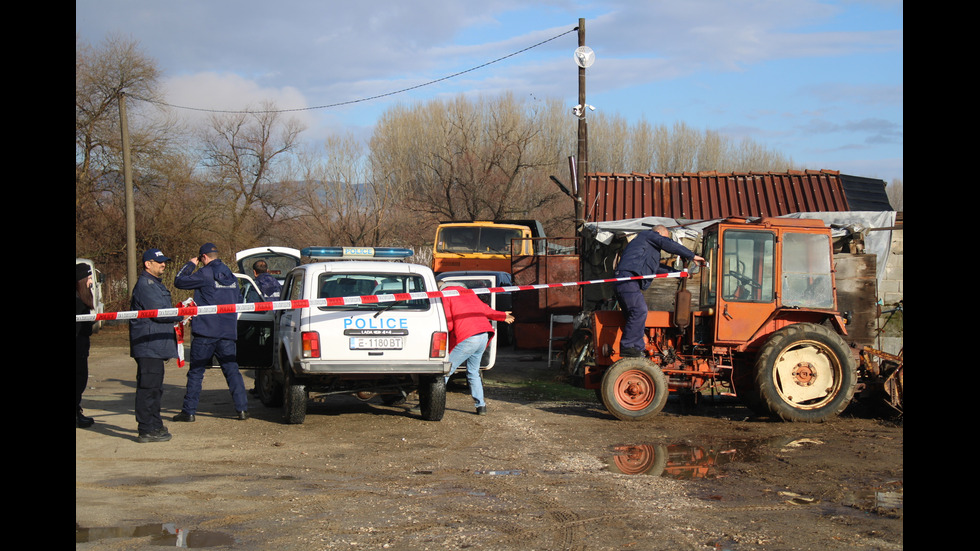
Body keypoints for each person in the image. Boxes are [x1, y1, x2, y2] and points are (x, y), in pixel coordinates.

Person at [173, 243, 249, 422]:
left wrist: (191, 264)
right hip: (227, 332)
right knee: (232, 370)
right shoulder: (231, 276)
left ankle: (189, 411)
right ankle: (242, 409)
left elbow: (179, 281)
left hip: (206, 331)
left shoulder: (205, 273)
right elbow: (238, 299)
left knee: (196, 372)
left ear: (204, 257)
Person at [614, 225, 705, 357]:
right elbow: (665, 242)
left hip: (626, 281)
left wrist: (678, 273)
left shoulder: (646, 250)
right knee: (639, 310)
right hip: (627, 279)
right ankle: (630, 348)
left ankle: (636, 348)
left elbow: (656, 269)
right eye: (664, 238)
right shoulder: (647, 235)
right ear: (658, 233)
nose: (664, 242)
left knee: (633, 316)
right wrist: (691, 255)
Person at [130, 248, 182, 443]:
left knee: (155, 388)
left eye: (164, 261)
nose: (163, 264)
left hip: (155, 345)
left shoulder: (154, 284)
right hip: (148, 345)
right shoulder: (146, 285)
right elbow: (159, 313)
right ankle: (146, 428)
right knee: (148, 388)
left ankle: (154, 424)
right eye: (159, 261)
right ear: (147, 264)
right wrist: (180, 313)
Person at [438, 281, 515, 415]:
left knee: (444, 371)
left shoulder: (445, 295)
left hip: (468, 336)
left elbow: (449, 323)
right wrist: (502, 315)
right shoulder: (469, 293)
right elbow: (485, 310)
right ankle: (481, 406)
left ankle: (429, 402)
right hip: (483, 335)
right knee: (473, 372)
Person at [76, 263, 96, 428]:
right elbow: (83, 329)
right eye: (89, 278)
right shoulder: (78, 302)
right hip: (78, 349)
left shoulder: (82, 299)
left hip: (82, 348)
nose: (91, 282)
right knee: (79, 380)